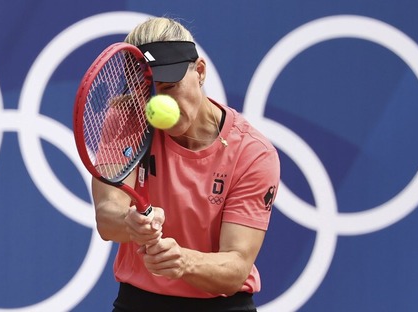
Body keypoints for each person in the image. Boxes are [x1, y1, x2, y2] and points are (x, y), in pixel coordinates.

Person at [91, 17, 280, 311]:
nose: (157, 102)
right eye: (146, 90)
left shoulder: (252, 152)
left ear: (200, 72)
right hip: (139, 304)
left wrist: (184, 261)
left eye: (169, 86)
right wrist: (130, 222)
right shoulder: (127, 121)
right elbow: (107, 218)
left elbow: (236, 267)